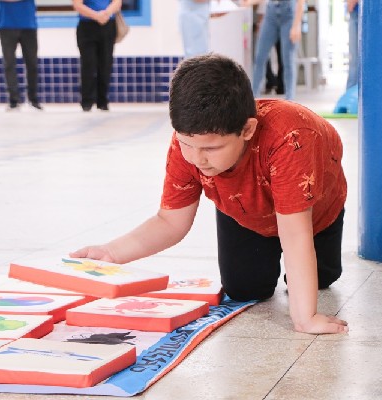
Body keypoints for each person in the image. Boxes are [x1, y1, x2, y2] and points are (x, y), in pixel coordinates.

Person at [70, 54, 349, 335]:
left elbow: (295, 233)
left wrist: (305, 317)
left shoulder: (291, 137)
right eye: (186, 144)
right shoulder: (190, 143)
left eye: (211, 149)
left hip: (312, 217)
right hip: (245, 212)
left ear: (247, 129)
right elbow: (170, 221)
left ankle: (320, 265)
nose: (197, 159)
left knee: (321, 277)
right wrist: (111, 253)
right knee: (244, 289)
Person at [244, 0, 305, 101]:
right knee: (260, 57)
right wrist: (250, 2)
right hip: (271, 13)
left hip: (289, 13)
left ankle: (290, 99)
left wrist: (296, 25)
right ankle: (253, 97)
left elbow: (301, 2)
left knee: (288, 60)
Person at [72, 0, 122, 111]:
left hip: (107, 25)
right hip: (87, 26)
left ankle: (102, 101)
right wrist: (96, 16)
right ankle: (87, 101)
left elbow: (117, 2)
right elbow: (77, 5)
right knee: (88, 64)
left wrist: (106, 13)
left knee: (105, 63)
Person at [0, 0, 42, 111]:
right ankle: (14, 100)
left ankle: (33, 100)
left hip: (28, 25)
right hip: (6, 25)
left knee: (32, 64)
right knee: (9, 64)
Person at [345, 0, 359, 89]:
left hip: (366, 13)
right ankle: (350, 93)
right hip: (354, 13)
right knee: (354, 60)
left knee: (356, 61)